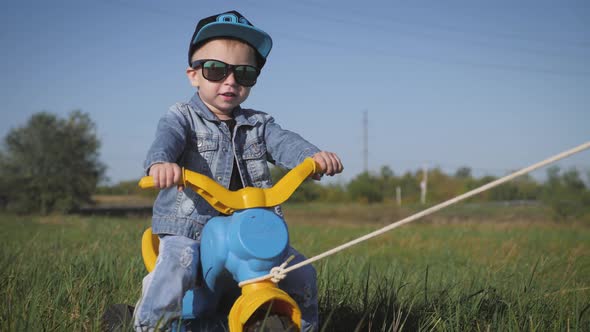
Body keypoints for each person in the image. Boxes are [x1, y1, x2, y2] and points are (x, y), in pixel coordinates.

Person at [133, 10, 343, 332]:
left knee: (300, 271)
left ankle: (304, 326)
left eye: (244, 73)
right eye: (216, 70)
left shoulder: (259, 123)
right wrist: (162, 164)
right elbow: (167, 139)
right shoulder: (183, 116)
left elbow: (284, 142)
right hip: (190, 228)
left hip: (248, 230)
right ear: (194, 75)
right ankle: (152, 326)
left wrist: (313, 157)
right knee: (178, 262)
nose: (230, 81)